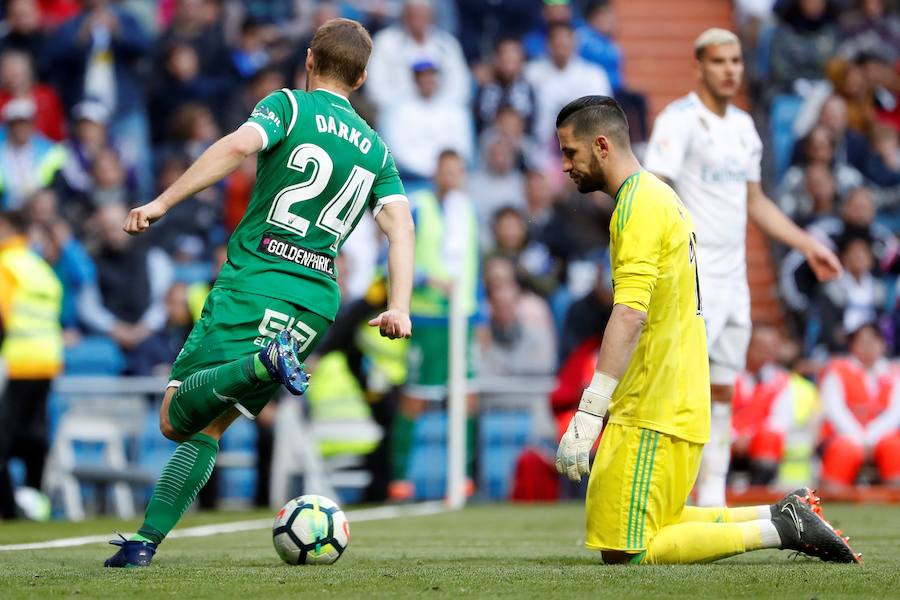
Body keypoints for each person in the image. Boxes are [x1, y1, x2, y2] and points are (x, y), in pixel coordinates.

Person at [104, 18, 415, 568]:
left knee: (176, 414)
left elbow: (235, 148)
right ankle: (145, 542)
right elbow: (401, 227)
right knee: (211, 424)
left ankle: (260, 364)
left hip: (258, 279)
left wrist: (162, 203)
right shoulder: (376, 149)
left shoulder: (288, 107)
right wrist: (399, 304)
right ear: (362, 78)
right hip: (317, 298)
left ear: (310, 61)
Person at [553, 94, 858, 565]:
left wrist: (591, 410)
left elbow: (630, 313)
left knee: (626, 551)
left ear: (601, 146)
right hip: (671, 397)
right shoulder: (658, 196)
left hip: (653, 404)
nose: (566, 165)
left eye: (570, 152)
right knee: (659, 526)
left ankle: (780, 528)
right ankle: (782, 514)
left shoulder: (639, 205)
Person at [643, 28, 842, 508]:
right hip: (694, 272)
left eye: (736, 61)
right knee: (682, 389)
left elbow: (756, 202)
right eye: (719, 62)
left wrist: (807, 242)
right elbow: (654, 189)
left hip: (733, 277)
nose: (731, 69)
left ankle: (711, 496)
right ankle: (664, 494)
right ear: (699, 66)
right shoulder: (679, 121)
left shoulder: (744, 127)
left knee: (724, 389)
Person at [390, 149, 479, 502]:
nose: (451, 178)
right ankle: (399, 479)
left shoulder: (467, 212)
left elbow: (474, 262)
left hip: (463, 317)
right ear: (435, 174)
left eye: (458, 172)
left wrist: (480, 313)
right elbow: (397, 251)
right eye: (446, 171)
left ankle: (463, 477)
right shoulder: (419, 206)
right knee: (416, 399)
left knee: (467, 398)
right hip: (427, 319)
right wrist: (427, 280)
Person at [0, 209, 63, 520]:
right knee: (34, 436)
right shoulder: (39, 268)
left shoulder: (6, 266)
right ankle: (37, 501)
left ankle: (9, 509)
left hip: (15, 361)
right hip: (46, 361)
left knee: (4, 438)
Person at [818, 323, 900, 489]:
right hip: (845, 436)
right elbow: (835, 410)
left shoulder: (894, 372)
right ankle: (833, 500)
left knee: (895, 448)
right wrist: (860, 439)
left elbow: (895, 412)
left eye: (873, 341)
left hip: (883, 436)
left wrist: (870, 437)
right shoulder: (837, 370)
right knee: (843, 450)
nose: (868, 347)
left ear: (882, 344)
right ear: (852, 345)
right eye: (862, 341)